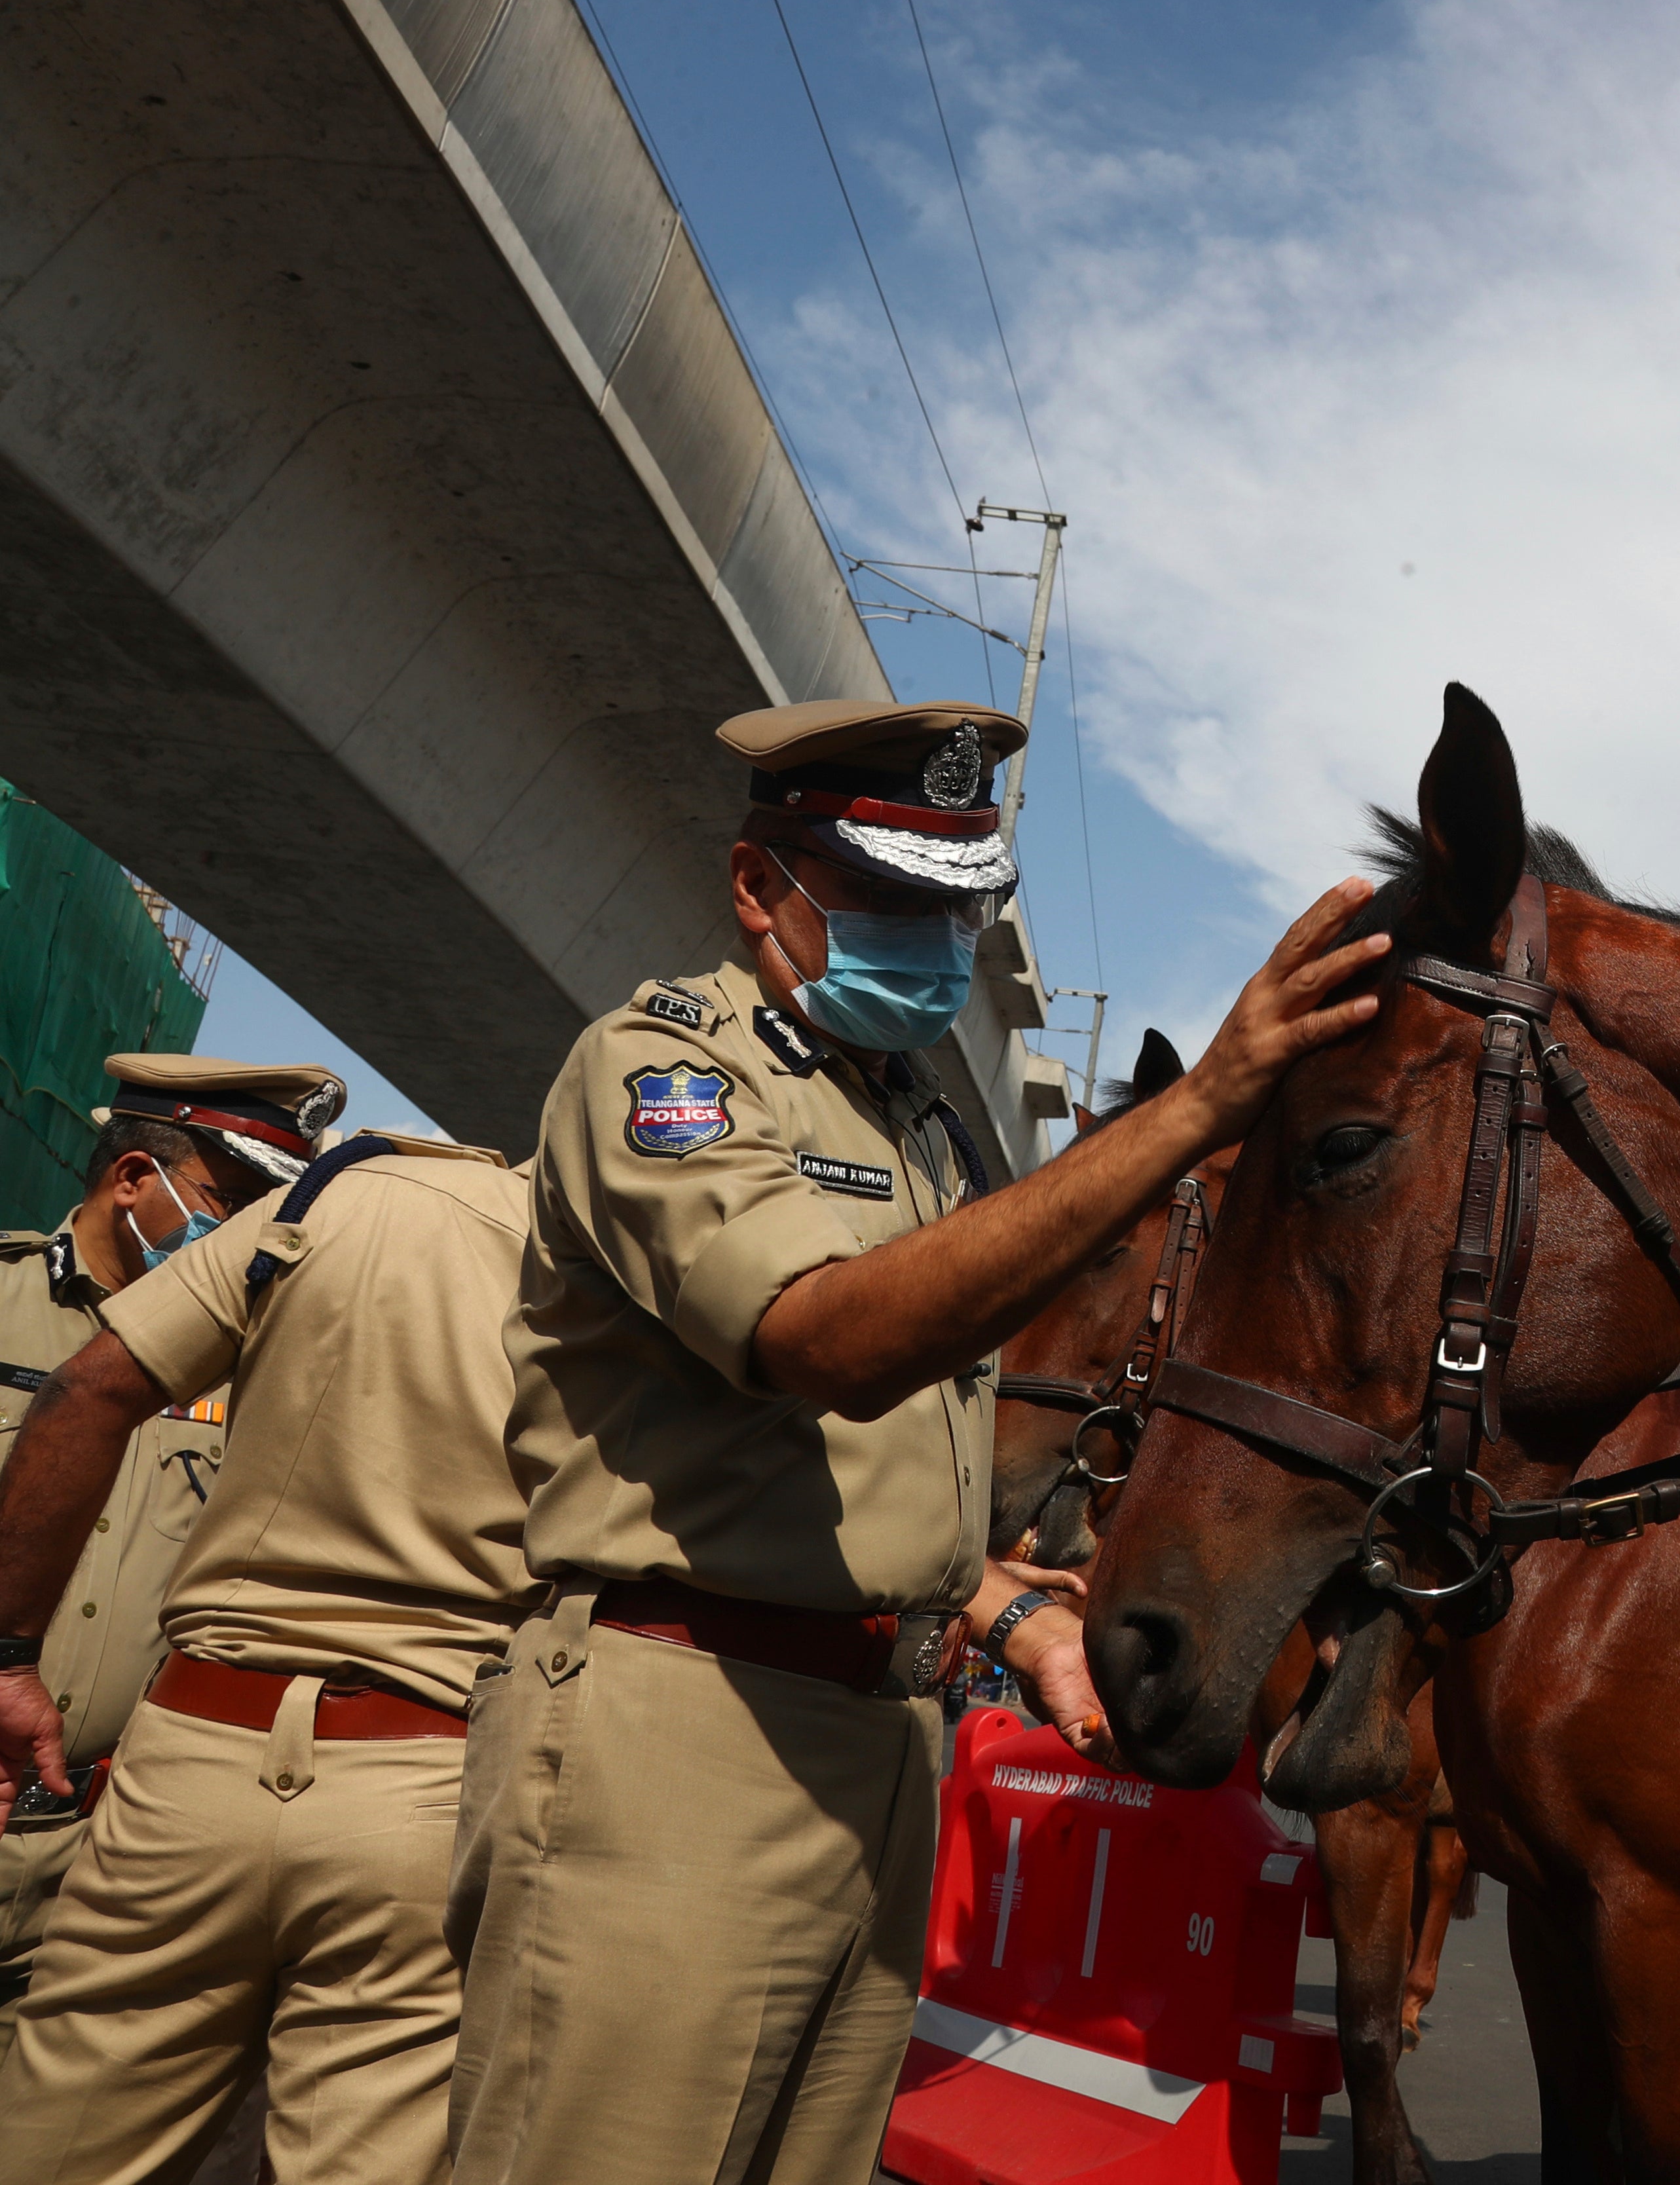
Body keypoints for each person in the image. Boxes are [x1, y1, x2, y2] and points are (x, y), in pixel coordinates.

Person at [446, 700, 1392, 2185]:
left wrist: (1009, 1612)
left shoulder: (914, 1128)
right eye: (893, 898)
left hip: (882, 1738)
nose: (936, 942)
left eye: (964, 905)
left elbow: (879, 1477)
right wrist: (1197, 1108)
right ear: (762, 888)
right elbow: (829, 1344)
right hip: (684, 1725)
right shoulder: (669, 1074)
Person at [0, 1102, 527, 2183]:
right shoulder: (630, 1295)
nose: (240, 1222)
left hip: (157, 1778)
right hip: (420, 1780)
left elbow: (91, 1393)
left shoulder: (324, 1236)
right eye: (224, 1199)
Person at [0, 1056, 326, 2064]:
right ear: (133, 1178)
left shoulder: (254, 1368)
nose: (245, 1243)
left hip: (101, 1860)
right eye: (227, 1206)